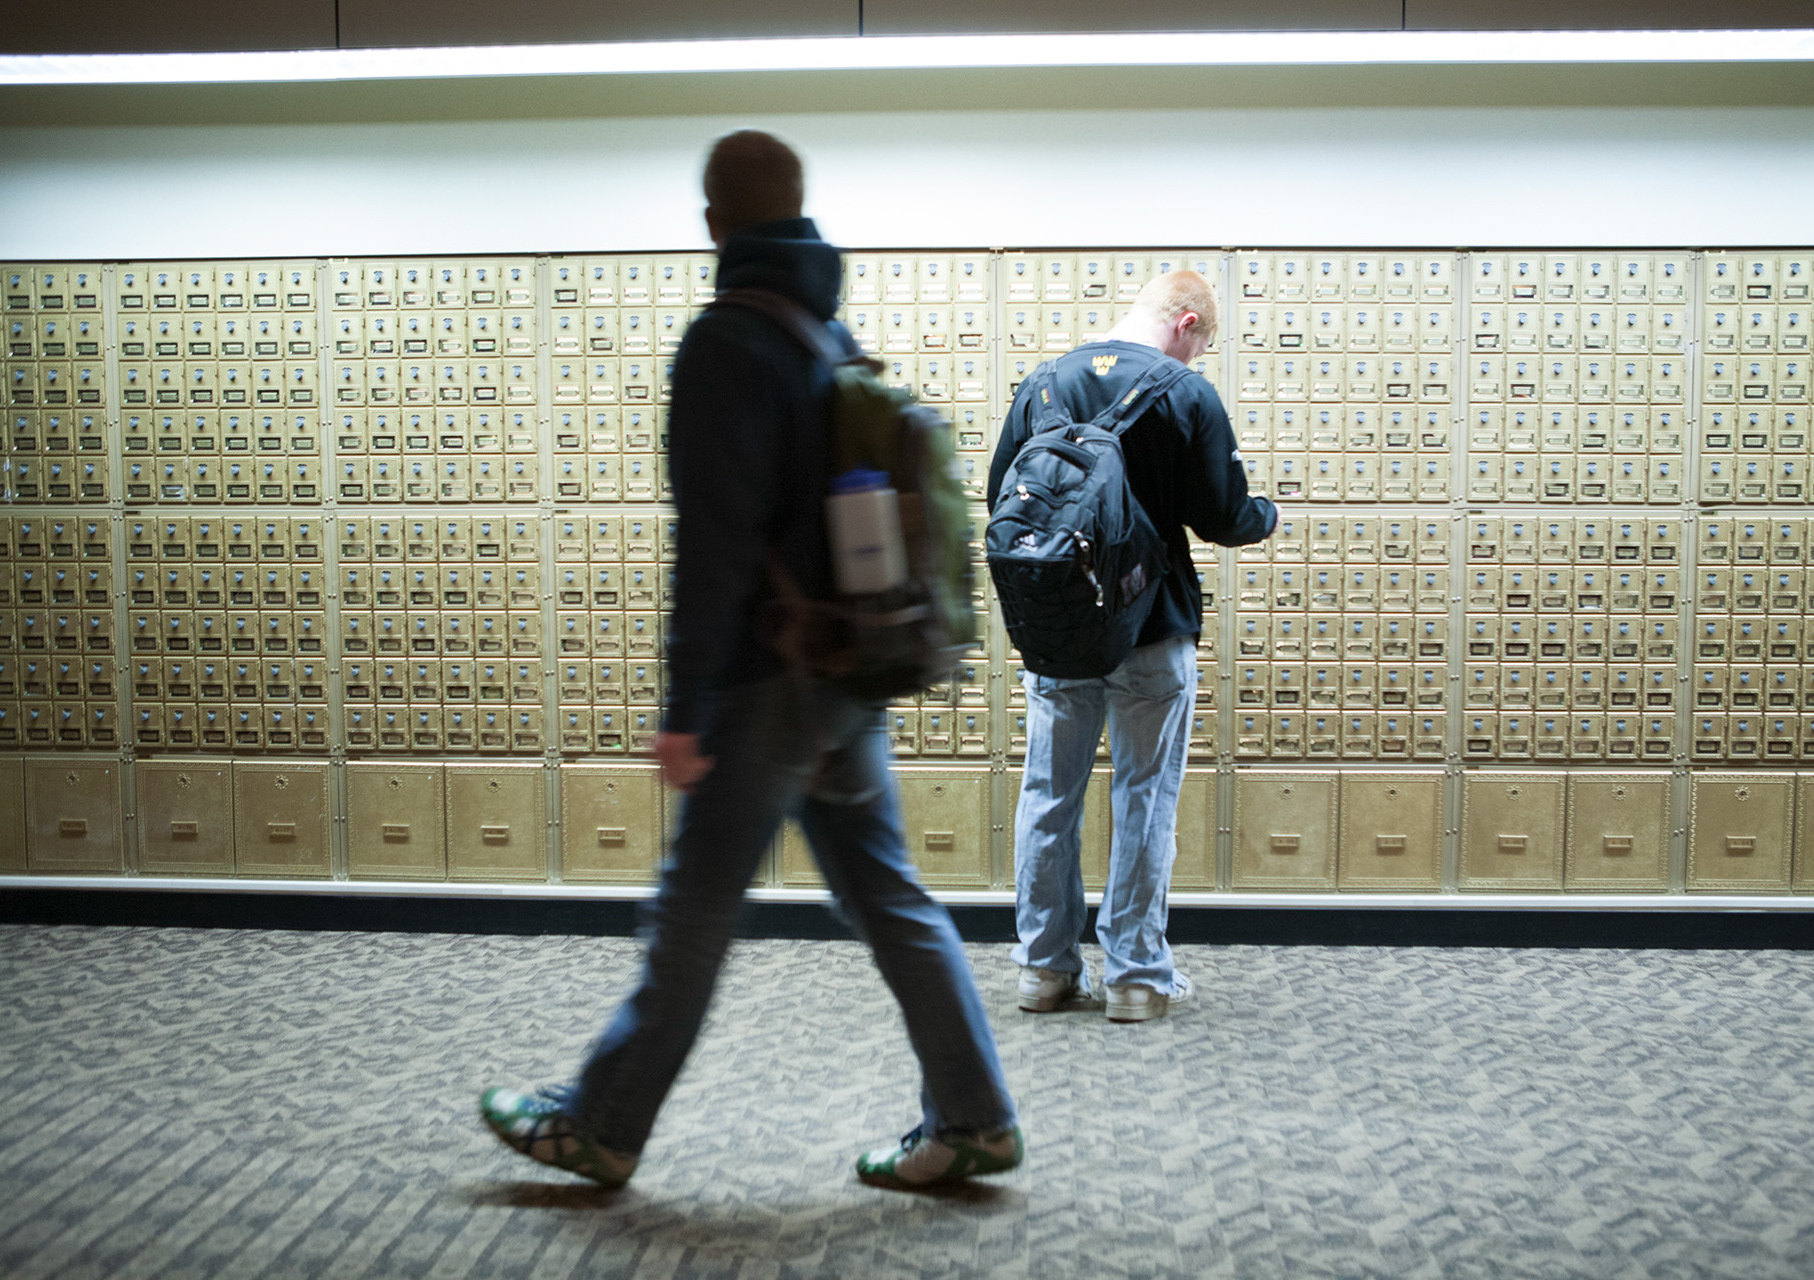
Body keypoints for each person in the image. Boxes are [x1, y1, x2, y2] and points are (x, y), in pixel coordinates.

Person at [480, 130, 1021, 1191]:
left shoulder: (727, 342)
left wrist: (686, 709)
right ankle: (976, 1117)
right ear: (798, 211)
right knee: (890, 898)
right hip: (846, 674)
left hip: (766, 684)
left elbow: (718, 545)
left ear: (713, 223)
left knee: (693, 912)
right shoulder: (827, 333)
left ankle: (601, 1124)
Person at [990, 271, 1277, 1023]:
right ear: (1187, 324)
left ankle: (1044, 969)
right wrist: (1266, 513)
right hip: (1151, 628)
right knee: (1144, 797)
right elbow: (1224, 517)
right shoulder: (1186, 393)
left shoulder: (1043, 385)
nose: (1196, 359)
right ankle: (1135, 977)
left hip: (1062, 633)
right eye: (1201, 345)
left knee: (1048, 796)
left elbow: (1002, 503)